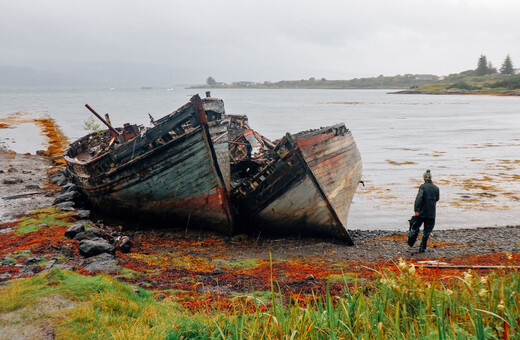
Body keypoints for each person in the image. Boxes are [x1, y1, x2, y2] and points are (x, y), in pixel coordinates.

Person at [408, 169, 440, 252]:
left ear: (424, 178)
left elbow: (419, 198)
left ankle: (411, 242)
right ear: (431, 178)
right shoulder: (436, 188)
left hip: (422, 212)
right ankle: (422, 247)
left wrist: (416, 209)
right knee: (426, 232)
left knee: (414, 226)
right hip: (431, 213)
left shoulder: (422, 187)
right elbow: (437, 199)